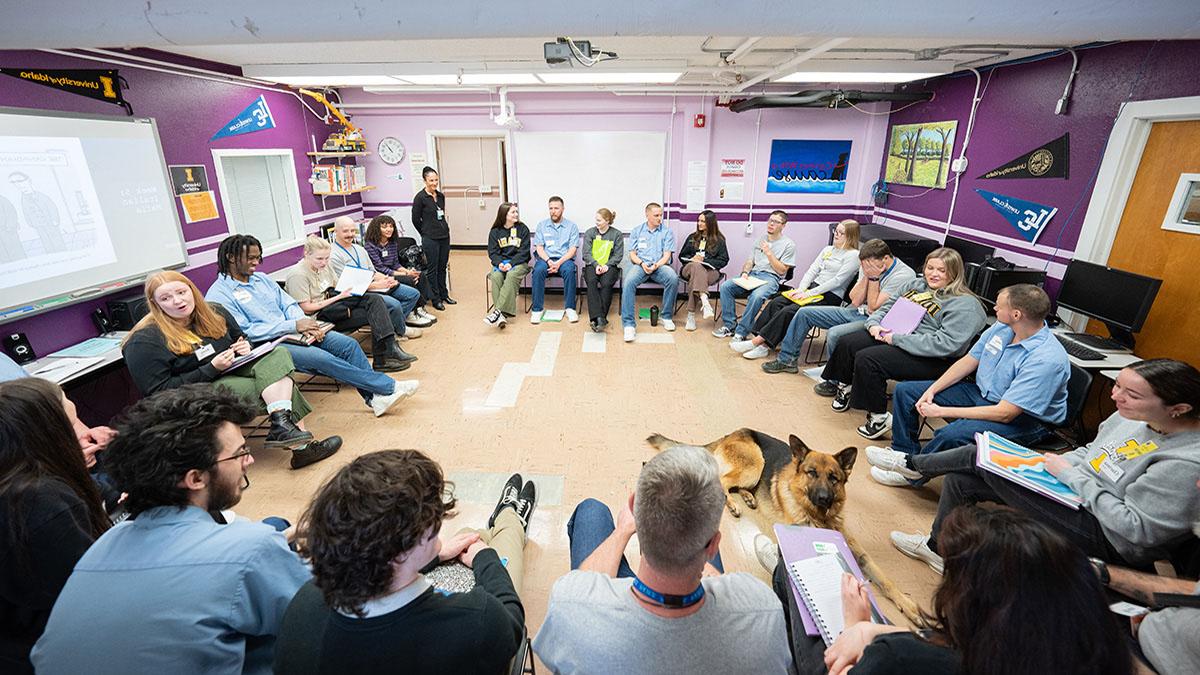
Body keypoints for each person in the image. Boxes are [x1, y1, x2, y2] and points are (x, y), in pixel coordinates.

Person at [31, 385, 312, 675]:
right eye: (240, 453)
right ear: (195, 478)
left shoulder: (105, 542)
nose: (249, 460)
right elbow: (323, 620)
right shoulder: (251, 548)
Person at [889, 358, 1200, 574]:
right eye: (1116, 386)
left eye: (1130, 394)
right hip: (1075, 490)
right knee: (960, 480)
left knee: (975, 458)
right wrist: (1054, 464)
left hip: (1109, 535)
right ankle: (937, 548)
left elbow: (1136, 530)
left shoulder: (1185, 463)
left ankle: (912, 464)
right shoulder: (1131, 416)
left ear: (1178, 409)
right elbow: (1091, 451)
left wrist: (1072, 477)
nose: (1116, 397)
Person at [532, 445, 793, 674]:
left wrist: (623, 530)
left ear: (634, 508)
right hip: (697, 591)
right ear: (714, 545)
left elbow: (584, 583)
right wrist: (692, 546)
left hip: (616, 611)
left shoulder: (571, 602)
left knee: (592, 510)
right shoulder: (762, 609)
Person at [275, 452, 538, 674]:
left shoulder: (304, 602)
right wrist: (485, 558)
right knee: (492, 545)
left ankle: (506, 517)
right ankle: (511, 517)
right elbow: (511, 621)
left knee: (466, 537)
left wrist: (433, 556)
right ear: (401, 552)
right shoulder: (476, 622)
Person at [790, 505, 1131, 675]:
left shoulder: (896, 657)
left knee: (789, 574)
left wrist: (854, 627)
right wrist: (876, 629)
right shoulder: (1087, 651)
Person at [123, 270, 342, 469]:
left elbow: (240, 337)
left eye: (181, 292)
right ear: (154, 303)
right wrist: (210, 368)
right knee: (278, 383)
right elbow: (158, 393)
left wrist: (245, 346)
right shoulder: (144, 340)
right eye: (166, 298)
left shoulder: (214, 311)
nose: (177, 301)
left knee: (279, 354)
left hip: (233, 368)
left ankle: (282, 424)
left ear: (192, 290)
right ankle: (298, 444)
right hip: (198, 390)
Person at [867, 284, 1070, 486]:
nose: (994, 309)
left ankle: (913, 472)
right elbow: (969, 361)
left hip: (1025, 419)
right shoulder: (1003, 327)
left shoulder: (1046, 359)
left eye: (999, 307)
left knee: (952, 434)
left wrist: (941, 411)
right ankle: (904, 454)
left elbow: (1005, 413)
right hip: (983, 395)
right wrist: (932, 390)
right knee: (906, 392)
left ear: (1016, 315)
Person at [206, 234, 418, 418]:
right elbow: (246, 331)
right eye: (250, 258)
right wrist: (293, 325)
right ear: (231, 257)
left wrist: (305, 324)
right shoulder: (219, 294)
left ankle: (374, 399)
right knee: (323, 359)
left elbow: (287, 303)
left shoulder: (261, 279)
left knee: (348, 346)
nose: (256, 262)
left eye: (257, 257)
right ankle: (388, 386)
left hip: (297, 329)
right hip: (269, 344)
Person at [816, 247, 986, 440]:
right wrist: (873, 325)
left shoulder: (965, 304)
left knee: (869, 359)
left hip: (932, 357)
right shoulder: (916, 284)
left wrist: (896, 339)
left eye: (941, 270)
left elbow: (946, 344)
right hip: (897, 335)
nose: (933, 274)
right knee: (848, 342)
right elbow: (887, 307)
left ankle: (879, 417)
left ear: (954, 273)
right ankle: (845, 386)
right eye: (930, 268)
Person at [0, 378, 110, 674]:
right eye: (72, 425)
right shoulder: (42, 503)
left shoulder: (15, 484)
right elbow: (96, 597)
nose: (86, 434)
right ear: (48, 432)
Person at [763, 238, 917, 375]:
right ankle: (787, 361)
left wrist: (874, 277)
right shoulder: (870, 266)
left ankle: (834, 379)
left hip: (878, 321)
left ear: (885, 259)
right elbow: (855, 300)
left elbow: (873, 307)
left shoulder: (903, 275)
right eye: (863, 266)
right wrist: (867, 276)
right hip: (856, 311)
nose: (865, 269)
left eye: (869, 266)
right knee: (804, 313)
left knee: (835, 333)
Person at [1093, 504, 1200, 675]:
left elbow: (1137, 527)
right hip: (1149, 626)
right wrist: (1102, 573)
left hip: (1143, 661)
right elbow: (1193, 593)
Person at [731, 219, 860, 360]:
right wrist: (801, 289)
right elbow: (812, 270)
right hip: (811, 290)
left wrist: (809, 293)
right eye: (836, 231)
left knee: (790, 310)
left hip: (829, 296)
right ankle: (759, 340)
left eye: (841, 233)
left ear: (850, 236)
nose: (836, 234)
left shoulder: (853, 256)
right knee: (777, 302)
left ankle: (760, 345)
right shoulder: (828, 250)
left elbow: (837, 281)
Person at [285, 235, 416, 370]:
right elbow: (307, 308)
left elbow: (337, 286)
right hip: (320, 317)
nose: (324, 262)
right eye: (319, 259)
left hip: (336, 306)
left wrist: (363, 286)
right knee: (378, 313)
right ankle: (384, 356)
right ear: (306, 254)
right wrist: (338, 297)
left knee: (375, 301)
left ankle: (389, 350)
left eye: (327, 258)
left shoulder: (325, 266)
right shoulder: (298, 275)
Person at [327, 215, 425, 339]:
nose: (350, 234)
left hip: (375, 285)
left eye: (352, 230)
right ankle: (399, 330)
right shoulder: (333, 255)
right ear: (335, 232)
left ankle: (394, 326)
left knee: (412, 294)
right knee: (394, 305)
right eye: (345, 231)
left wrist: (387, 279)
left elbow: (372, 271)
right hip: (356, 294)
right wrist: (376, 285)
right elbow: (346, 284)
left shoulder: (359, 249)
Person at [714, 210, 796, 341]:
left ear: (783, 225)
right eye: (770, 220)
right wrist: (745, 272)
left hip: (771, 277)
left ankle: (741, 332)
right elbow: (750, 261)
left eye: (775, 222)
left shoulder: (789, 245)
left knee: (756, 296)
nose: (771, 224)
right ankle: (730, 325)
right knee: (726, 287)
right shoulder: (760, 239)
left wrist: (769, 254)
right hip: (753, 275)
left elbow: (782, 271)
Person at [363, 214, 438, 327]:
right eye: (384, 227)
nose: (389, 229)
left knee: (419, 275)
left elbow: (395, 264)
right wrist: (405, 274)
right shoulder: (370, 246)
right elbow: (380, 268)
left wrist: (408, 271)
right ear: (376, 228)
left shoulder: (392, 243)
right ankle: (412, 313)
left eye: (391, 226)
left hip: (392, 272)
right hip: (381, 276)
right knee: (409, 279)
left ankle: (420, 308)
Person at [620, 202, 679, 342]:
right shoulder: (637, 231)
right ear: (647, 215)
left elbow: (667, 255)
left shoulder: (667, 232)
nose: (660, 218)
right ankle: (628, 325)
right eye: (656, 215)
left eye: (661, 215)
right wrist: (641, 263)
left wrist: (656, 265)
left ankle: (666, 316)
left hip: (659, 266)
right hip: (641, 265)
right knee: (628, 282)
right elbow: (632, 255)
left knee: (673, 278)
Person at [530, 196, 581, 324]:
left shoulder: (571, 226)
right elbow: (540, 248)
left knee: (569, 271)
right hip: (545, 259)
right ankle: (537, 310)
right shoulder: (542, 225)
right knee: (537, 271)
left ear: (563, 209)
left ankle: (570, 308)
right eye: (551, 208)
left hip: (564, 260)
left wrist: (558, 263)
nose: (553, 211)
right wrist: (548, 261)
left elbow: (572, 250)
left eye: (556, 208)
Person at [678, 210, 729, 332]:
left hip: (710, 271)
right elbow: (682, 256)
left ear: (711, 223)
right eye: (699, 220)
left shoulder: (720, 240)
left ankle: (691, 316)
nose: (699, 223)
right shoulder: (692, 237)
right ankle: (704, 300)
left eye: (703, 221)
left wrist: (705, 260)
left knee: (696, 277)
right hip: (689, 269)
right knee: (696, 266)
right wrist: (692, 259)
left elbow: (724, 260)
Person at [411, 166, 454, 308]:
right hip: (430, 238)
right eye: (431, 180)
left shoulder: (440, 196)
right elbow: (415, 219)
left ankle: (444, 294)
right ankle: (435, 299)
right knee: (433, 269)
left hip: (444, 236)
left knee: (443, 267)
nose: (434, 183)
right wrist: (425, 232)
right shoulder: (420, 198)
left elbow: (440, 214)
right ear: (424, 180)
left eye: (436, 180)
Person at [485, 202, 532, 329]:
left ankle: (497, 311)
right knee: (495, 276)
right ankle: (501, 315)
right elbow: (493, 252)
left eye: (516, 211)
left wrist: (511, 264)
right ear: (504, 215)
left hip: (518, 263)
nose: (516, 214)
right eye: (513, 212)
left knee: (511, 275)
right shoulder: (495, 232)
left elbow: (524, 252)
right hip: (501, 263)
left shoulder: (523, 229)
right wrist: (500, 263)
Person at [581, 207, 624, 332]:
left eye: (599, 220)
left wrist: (607, 265)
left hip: (609, 266)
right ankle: (600, 318)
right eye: (596, 220)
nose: (596, 222)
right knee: (592, 281)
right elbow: (586, 253)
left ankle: (597, 318)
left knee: (606, 283)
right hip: (592, 265)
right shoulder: (590, 233)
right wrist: (596, 265)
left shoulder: (616, 234)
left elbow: (618, 255)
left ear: (607, 220)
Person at [9, 172, 65, 254]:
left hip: (50, 222)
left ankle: (62, 252)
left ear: (29, 181)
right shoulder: (23, 199)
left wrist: (55, 219)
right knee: (45, 239)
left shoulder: (41, 196)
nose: (20, 185)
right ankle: (51, 253)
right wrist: (30, 222)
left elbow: (52, 207)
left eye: (21, 181)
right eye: (15, 183)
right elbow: (26, 212)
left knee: (56, 238)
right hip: (38, 225)